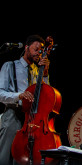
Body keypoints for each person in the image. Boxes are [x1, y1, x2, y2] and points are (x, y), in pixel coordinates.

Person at [0, 35, 50, 165]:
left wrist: (44, 74)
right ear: (27, 47)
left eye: (41, 51)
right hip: (13, 114)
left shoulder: (37, 71)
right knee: (4, 156)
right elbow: (0, 93)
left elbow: (46, 95)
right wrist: (19, 95)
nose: (38, 54)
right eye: (36, 49)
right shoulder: (10, 66)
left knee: (22, 158)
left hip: (31, 119)